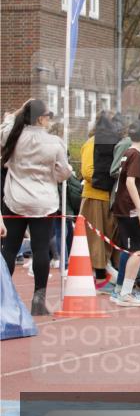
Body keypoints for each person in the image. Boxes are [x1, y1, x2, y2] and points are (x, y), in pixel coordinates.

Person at [1, 98, 72, 315]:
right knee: (41, 249)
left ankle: (4, 296)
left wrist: (15, 114)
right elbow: (64, 172)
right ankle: (38, 300)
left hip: (15, 199)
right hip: (43, 200)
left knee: (9, 249)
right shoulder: (54, 142)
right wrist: (52, 176)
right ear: (41, 118)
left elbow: (4, 128)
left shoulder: (12, 136)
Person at [109, 120, 140, 306]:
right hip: (129, 209)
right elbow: (129, 183)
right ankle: (125, 293)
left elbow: (129, 182)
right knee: (139, 250)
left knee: (132, 249)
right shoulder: (136, 155)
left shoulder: (127, 153)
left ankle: (122, 291)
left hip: (123, 207)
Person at [80, 111, 122, 288]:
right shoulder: (92, 143)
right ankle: (99, 277)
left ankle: (105, 273)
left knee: (108, 237)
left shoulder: (113, 142)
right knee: (96, 238)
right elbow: (87, 170)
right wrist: (109, 178)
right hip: (95, 196)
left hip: (109, 196)